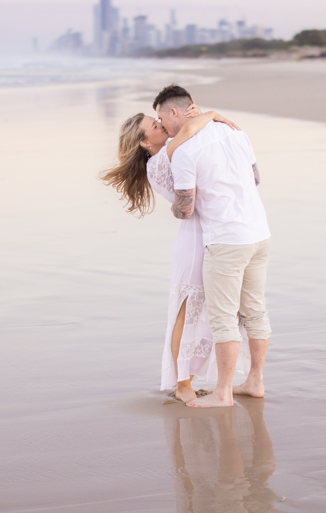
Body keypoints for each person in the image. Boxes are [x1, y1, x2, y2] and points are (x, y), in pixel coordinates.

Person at [101, 103, 249, 403]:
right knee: (187, 310)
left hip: (210, 232)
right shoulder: (159, 160)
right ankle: (182, 384)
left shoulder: (170, 149)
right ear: (145, 142)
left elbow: (191, 133)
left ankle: (191, 380)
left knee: (208, 310)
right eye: (153, 126)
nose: (160, 125)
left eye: (158, 120)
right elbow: (191, 129)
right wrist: (212, 114)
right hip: (194, 241)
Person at [154, 84, 271, 409]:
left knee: (223, 319)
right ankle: (255, 381)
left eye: (160, 117)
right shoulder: (236, 133)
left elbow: (185, 210)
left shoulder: (185, 152)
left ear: (173, 112)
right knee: (255, 312)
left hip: (225, 240)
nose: (161, 125)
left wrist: (176, 206)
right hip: (259, 232)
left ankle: (223, 393)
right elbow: (255, 178)